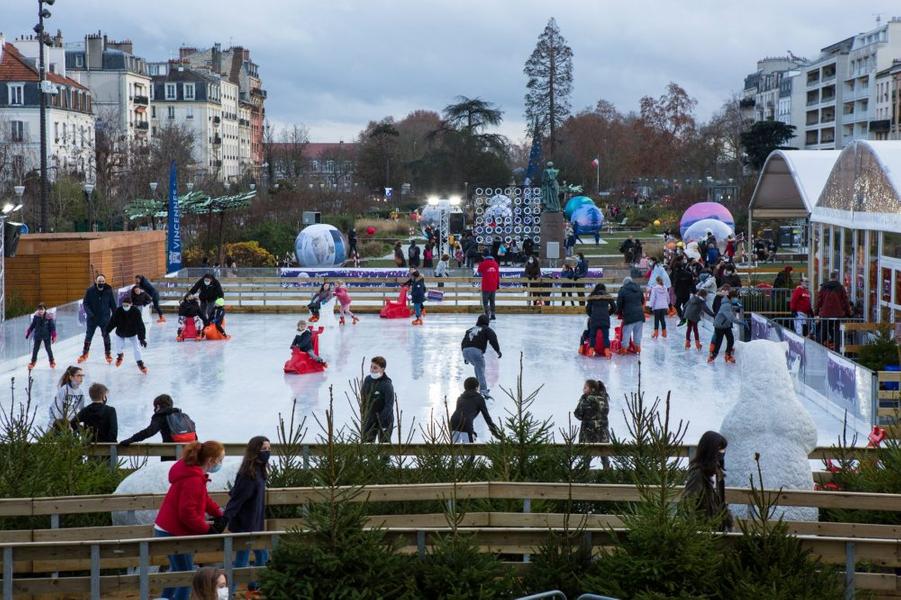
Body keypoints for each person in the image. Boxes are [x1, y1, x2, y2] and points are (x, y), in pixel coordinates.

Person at [154, 441, 227, 600]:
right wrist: (207, 530)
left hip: (168, 529)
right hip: (174, 532)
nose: (221, 464)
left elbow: (203, 499)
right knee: (187, 577)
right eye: (220, 460)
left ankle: (165, 598)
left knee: (177, 572)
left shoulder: (193, 472)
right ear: (210, 461)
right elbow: (187, 514)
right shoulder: (193, 479)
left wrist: (219, 513)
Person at [224, 436, 270, 595]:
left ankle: (255, 584)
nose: (267, 452)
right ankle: (230, 593)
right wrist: (225, 519)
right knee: (242, 562)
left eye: (269, 449)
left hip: (256, 523)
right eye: (264, 449)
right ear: (255, 451)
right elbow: (237, 499)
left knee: (263, 555)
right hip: (245, 526)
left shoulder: (260, 470)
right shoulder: (248, 475)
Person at [682, 430, 733, 531]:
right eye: (719, 449)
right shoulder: (698, 475)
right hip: (703, 534)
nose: (722, 453)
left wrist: (729, 523)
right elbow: (688, 504)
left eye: (723, 450)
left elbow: (721, 502)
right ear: (710, 451)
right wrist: (694, 532)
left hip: (717, 532)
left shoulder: (718, 473)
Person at [119, 394, 193, 461]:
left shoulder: (161, 416)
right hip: (189, 454)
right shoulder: (184, 416)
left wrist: (130, 440)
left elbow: (149, 432)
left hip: (170, 455)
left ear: (158, 406)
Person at [78, 274, 118, 364]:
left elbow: (112, 304)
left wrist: (116, 316)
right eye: (99, 281)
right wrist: (90, 314)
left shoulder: (108, 290)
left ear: (105, 281)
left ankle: (108, 354)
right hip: (92, 319)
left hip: (105, 318)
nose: (101, 283)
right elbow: (85, 303)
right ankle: (85, 354)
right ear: (96, 281)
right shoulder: (90, 291)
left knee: (106, 336)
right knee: (89, 336)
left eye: (103, 281)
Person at [460, 314, 501, 399]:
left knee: (478, 368)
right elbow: (493, 339)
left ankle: (478, 387)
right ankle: (483, 391)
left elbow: (463, 342)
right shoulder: (487, 329)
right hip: (476, 352)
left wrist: (465, 357)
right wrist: (498, 350)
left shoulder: (470, 330)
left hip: (465, 351)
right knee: (480, 371)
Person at [449, 377, 501, 443]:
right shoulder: (479, 398)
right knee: (469, 450)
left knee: (454, 450)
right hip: (466, 424)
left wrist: (472, 431)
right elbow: (487, 417)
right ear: (476, 387)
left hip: (453, 423)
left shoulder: (460, 398)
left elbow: (462, 414)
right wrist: (495, 433)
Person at [105, 297, 148, 373]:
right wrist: (107, 331)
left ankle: (140, 363)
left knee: (137, 348)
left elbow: (140, 325)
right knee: (118, 346)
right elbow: (112, 322)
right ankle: (120, 355)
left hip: (132, 333)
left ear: (131, 304)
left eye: (126, 305)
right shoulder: (118, 311)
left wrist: (142, 338)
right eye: (123, 305)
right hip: (120, 332)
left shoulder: (136, 311)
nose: (125, 307)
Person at [573, 379, 611, 468]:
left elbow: (578, 414)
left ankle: (585, 478)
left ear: (592, 389)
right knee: (605, 458)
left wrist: (582, 399)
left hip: (588, 435)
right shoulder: (604, 399)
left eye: (585, 388)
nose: (583, 390)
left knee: (586, 459)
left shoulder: (586, 400)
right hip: (603, 435)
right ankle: (608, 477)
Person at [361, 356, 395, 443]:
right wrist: (365, 414)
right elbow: (363, 398)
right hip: (369, 419)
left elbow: (389, 406)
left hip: (385, 420)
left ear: (382, 369)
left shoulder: (387, 384)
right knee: (367, 445)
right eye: (371, 367)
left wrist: (379, 419)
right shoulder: (367, 380)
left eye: (375, 368)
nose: (372, 370)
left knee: (384, 447)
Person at [815, 271, 852, 349]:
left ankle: (818, 348)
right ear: (837, 277)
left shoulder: (824, 287)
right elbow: (845, 301)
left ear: (830, 278)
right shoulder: (840, 287)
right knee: (837, 331)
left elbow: (819, 301)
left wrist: (816, 312)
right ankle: (837, 349)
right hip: (837, 313)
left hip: (825, 313)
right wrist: (848, 313)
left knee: (823, 330)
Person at [708, 289, 743, 364]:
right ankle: (713, 356)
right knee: (719, 341)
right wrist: (741, 322)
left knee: (730, 339)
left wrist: (736, 306)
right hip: (720, 325)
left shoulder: (728, 302)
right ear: (731, 297)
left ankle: (728, 355)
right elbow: (731, 317)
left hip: (726, 325)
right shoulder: (726, 305)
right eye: (735, 297)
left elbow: (730, 309)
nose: (736, 299)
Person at [585, 283, 617, 357]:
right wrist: (607, 314)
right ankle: (607, 352)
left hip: (594, 319)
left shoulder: (592, 296)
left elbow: (587, 309)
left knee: (592, 336)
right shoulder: (607, 296)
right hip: (605, 319)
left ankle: (591, 351)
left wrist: (592, 315)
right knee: (606, 337)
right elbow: (614, 308)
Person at [616, 276, 645, 354]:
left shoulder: (623, 290)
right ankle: (637, 348)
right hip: (640, 315)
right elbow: (642, 301)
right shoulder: (638, 288)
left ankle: (624, 349)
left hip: (629, 315)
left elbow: (619, 303)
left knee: (626, 332)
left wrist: (618, 312)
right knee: (638, 333)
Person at [26, 303, 57, 370]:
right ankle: (33, 362)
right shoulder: (36, 317)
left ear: (45, 310)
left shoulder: (49, 317)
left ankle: (52, 361)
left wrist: (53, 336)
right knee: (35, 349)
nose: (41, 311)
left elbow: (52, 327)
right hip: (38, 335)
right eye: (39, 310)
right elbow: (32, 325)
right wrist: (28, 332)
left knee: (48, 349)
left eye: (42, 309)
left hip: (46, 336)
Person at [477, 253, 500, 319]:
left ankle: (487, 314)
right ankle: (493, 314)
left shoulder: (483, 263)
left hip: (486, 286)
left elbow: (479, 270)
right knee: (492, 301)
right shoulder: (495, 264)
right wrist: (497, 285)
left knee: (485, 301)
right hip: (493, 286)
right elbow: (498, 275)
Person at [648, 275, 670, 339]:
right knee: (662, 319)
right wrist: (667, 304)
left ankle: (656, 333)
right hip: (664, 306)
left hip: (657, 307)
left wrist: (650, 305)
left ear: (657, 281)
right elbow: (667, 297)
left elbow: (653, 298)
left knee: (656, 319)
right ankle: (664, 333)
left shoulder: (654, 288)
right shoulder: (665, 288)